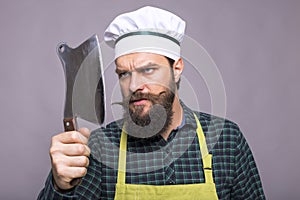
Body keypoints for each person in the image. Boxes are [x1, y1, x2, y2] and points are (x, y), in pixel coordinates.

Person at [38, 6, 265, 199]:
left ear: (176, 69)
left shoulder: (227, 139)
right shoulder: (99, 147)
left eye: (148, 70)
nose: (134, 85)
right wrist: (60, 186)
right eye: (124, 74)